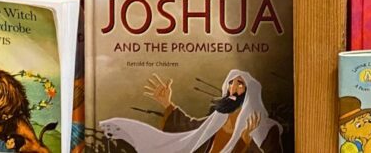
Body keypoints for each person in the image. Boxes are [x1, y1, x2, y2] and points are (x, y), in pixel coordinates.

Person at [99, 69, 283, 153]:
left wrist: (243, 142)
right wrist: (167, 104)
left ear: (249, 92)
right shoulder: (218, 119)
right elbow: (191, 129)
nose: (233, 88)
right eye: (231, 83)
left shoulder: (267, 130)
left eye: (240, 84)